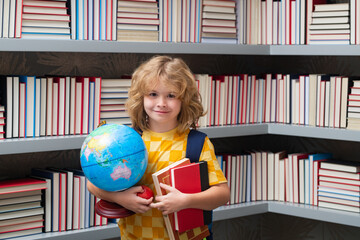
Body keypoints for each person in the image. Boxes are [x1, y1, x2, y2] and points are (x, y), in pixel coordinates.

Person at [87, 55, 230, 240]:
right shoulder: (125, 141)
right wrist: (119, 199)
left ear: (184, 100)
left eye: (171, 95)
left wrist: (186, 201)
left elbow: (222, 194)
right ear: (141, 97)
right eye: (153, 94)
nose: (161, 103)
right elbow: (93, 183)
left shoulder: (196, 143)